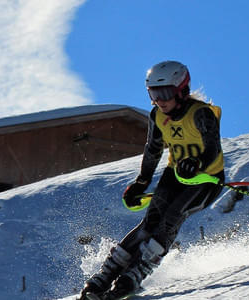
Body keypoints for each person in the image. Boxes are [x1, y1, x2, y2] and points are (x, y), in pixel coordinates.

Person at [80, 60, 225, 300]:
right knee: (150, 223)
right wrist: (140, 183)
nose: (160, 100)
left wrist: (197, 163)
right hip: (176, 175)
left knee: (172, 217)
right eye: (154, 94)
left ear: (182, 90)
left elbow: (212, 147)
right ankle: (106, 275)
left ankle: (137, 273)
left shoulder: (201, 114)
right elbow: (153, 151)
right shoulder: (158, 115)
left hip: (206, 178)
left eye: (165, 93)